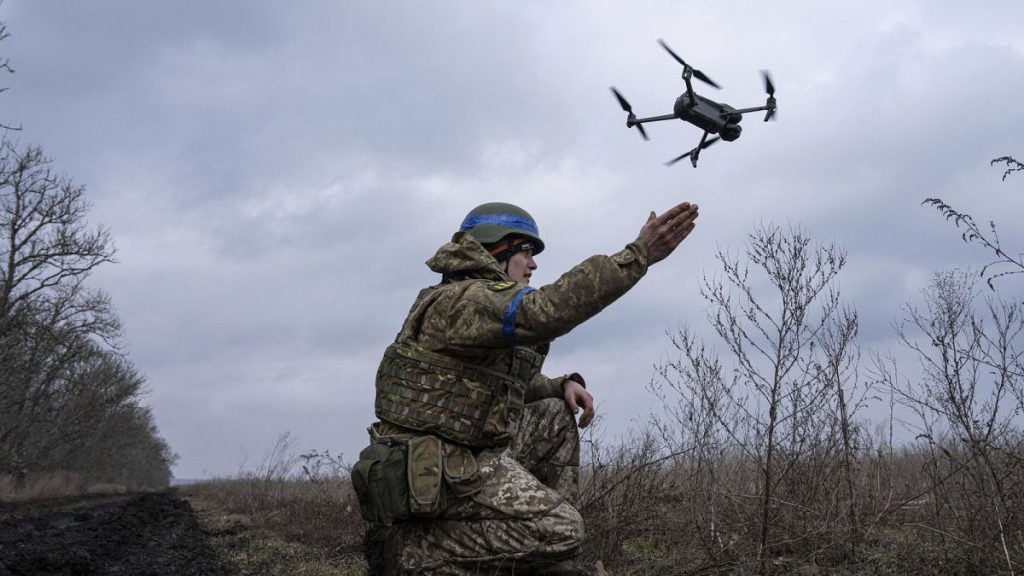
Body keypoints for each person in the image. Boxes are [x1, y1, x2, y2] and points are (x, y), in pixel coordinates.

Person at [354, 200, 699, 575]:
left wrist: (560, 385)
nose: (533, 264)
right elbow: (544, 312)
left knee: (554, 415)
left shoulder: (472, 303)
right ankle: (409, 552)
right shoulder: (463, 301)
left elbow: (500, 386)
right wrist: (638, 255)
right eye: (525, 252)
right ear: (494, 251)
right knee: (563, 529)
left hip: (460, 451)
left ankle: (543, 560)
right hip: (436, 466)